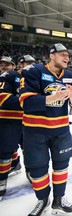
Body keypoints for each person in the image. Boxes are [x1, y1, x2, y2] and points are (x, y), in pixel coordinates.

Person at [19, 43, 72, 215]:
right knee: (37, 168)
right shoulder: (33, 71)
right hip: (35, 131)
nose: (66, 58)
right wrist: (52, 98)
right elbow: (26, 102)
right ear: (51, 55)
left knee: (61, 166)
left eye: (68, 55)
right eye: (62, 54)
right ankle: (43, 200)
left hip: (61, 130)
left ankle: (59, 199)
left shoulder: (71, 77)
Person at [0, 56, 23, 200]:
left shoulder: (12, 76)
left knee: (6, 150)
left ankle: (2, 181)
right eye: (2, 64)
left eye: (7, 64)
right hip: (12, 118)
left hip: (14, 119)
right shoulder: (7, 76)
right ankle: (15, 165)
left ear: (14, 65)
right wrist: (28, 101)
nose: (4, 66)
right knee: (8, 148)